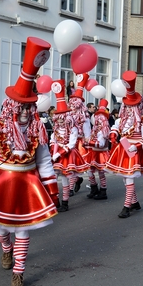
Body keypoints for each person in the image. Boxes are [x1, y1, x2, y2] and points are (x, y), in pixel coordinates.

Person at [0, 37, 59, 286]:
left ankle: (18, 273)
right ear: (11, 106)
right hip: (2, 184)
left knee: (23, 230)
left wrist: (53, 192)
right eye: (19, 106)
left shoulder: (37, 129)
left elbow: (44, 162)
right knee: (1, 230)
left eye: (28, 106)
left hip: (28, 185)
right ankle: (6, 249)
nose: (23, 110)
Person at [105, 71, 143, 218]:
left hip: (134, 151)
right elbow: (116, 126)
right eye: (127, 106)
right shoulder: (123, 119)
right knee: (125, 178)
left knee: (129, 178)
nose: (128, 108)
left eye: (131, 106)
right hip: (123, 149)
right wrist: (113, 133)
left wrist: (137, 146)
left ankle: (126, 206)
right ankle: (134, 202)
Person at [50, 79, 88, 212]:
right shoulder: (56, 128)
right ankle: (54, 200)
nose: (60, 120)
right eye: (58, 118)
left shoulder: (73, 129)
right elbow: (53, 139)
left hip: (66, 154)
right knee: (52, 177)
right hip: (55, 153)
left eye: (62, 117)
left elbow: (71, 144)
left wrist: (58, 153)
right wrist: (52, 148)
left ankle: (65, 202)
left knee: (65, 178)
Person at [67, 73, 91, 196]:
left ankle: (74, 185)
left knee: (78, 165)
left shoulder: (84, 117)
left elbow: (87, 131)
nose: (72, 104)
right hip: (70, 141)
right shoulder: (68, 115)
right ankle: (72, 185)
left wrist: (87, 142)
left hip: (80, 142)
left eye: (75, 102)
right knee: (70, 165)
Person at [84, 98, 111, 200]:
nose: (98, 120)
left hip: (101, 154)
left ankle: (103, 191)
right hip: (93, 153)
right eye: (97, 117)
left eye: (100, 118)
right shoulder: (95, 130)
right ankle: (94, 188)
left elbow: (101, 144)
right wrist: (86, 144)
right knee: (89, 171)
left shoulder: (103, 132)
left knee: (101, 172)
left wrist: (89, 142)